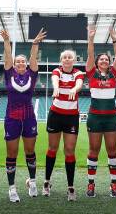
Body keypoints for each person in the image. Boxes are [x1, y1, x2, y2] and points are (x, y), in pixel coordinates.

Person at [0, 28, 47, 203]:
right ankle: (12, 188)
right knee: (12, 153)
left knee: (30, 151)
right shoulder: (8, 74)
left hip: (28, 118)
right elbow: (6, 58)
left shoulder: (31, 75)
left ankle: (32, 182)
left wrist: (34, 44)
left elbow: (34, 58)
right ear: (13, 64)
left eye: (22, 61)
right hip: (11, 118)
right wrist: (6, 42)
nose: (20, 63)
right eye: (17, 61)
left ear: (26, 64)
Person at [85, 26, 116, 198]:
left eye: (107, 59)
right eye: (102, 60)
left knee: (112, 150)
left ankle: (114, 184)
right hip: (94, 118)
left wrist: (115, 39)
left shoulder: (114, 75)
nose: (104, 61)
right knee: (94, 150)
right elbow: (90, 56)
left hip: (111, 118)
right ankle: (91, 184)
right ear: (97, 62)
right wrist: (90, 39)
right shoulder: (91, 74)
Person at [43, 49, 84, 201]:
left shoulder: (78, 73)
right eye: (64, 57)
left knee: (69, 150)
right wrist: (56, 88)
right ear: (61, 60)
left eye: (70, 57)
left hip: (71, 117)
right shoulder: (56, 71)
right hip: (55, 115)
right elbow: (55, 80)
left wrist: (74, 88)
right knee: (52, 148)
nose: (67, 59)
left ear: (73, 60)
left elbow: (79, 84)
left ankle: (70, 187)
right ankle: (46, 182)